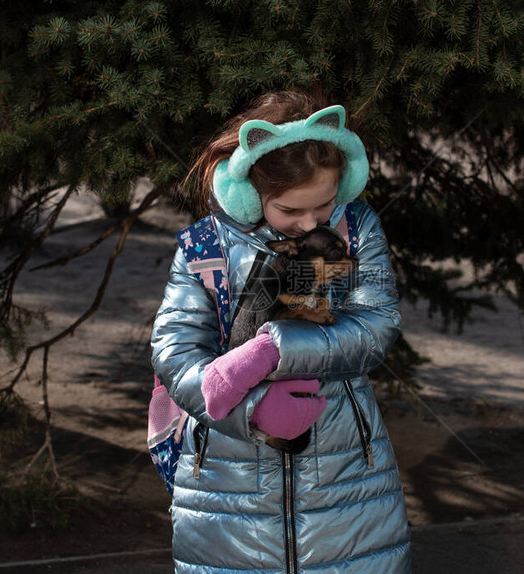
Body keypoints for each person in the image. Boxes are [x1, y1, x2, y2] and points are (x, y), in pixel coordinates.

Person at [150, 90, 411, 573]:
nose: (311, 222)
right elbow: (174, 355)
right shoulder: (204, 248)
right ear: (250, 194)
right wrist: (251, 409)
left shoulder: (355, 231)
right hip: (226, 486)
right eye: (291, 211)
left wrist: (277, 349)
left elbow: (374, 327)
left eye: (325, 205)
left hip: (345, 475)